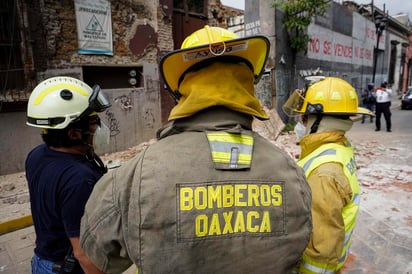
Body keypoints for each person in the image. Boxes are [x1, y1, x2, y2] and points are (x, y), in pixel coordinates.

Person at [80, 25, 312, 273]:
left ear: (180, 91)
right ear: (248, 86)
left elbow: (89, 259)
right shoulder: (292, 173)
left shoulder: (132, 177)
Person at [283, 76, 374, 273]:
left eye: (304, 118)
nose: (301, 123)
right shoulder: (337, 146)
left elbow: (322, 249)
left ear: (320, 121)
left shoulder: (324, 173)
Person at [25, 76, 111, 274]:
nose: (100, 128)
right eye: (94, 122)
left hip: (42, 261)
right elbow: (83, 253)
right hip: (67, 268)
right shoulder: (79, 180)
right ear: (73, 134)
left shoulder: (37, 155)